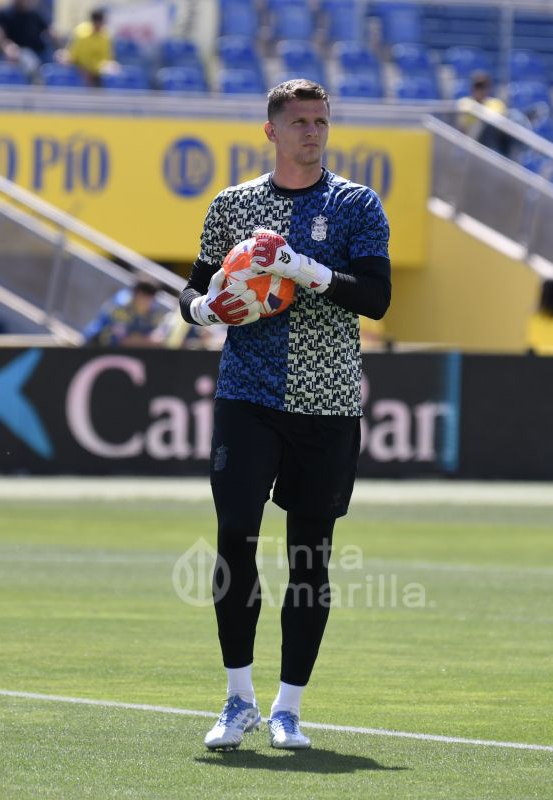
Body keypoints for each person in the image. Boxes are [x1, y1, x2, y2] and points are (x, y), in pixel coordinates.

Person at [179, 79, 391, 751]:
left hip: (327, 400)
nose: (312, 132)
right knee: (235, 534)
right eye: (299, 122)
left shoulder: (355, 204)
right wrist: (203, 309)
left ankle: (288, 708)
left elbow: (378, 298)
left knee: (309, 555)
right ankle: (237, 698)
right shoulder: (233, 205)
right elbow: (194, 287)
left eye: (321, 121)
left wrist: (303, 268)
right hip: (247, 393)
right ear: (271, 130)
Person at [82, 279, 170, 346]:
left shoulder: (153, 307)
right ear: (137, 294)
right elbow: (122, 340)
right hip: (96, 343)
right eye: (144, 297)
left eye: (150, 297)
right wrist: (148, 340)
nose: (148, 302)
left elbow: (158, 334)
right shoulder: (121, 305)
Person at [0, 0, 54, 77]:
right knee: (27, 58)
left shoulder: (36, 12)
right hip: (14, 54)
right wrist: (6, 46)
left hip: (37, 53)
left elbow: (49, 31)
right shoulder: (3, 13)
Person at [58, 7, 119, 86]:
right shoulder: (81, 33)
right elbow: (74, 56)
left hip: (98, 73)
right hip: (79, 70)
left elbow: (106, 58)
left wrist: (101, 69)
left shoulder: (106, 36)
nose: (100, 26)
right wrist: (85, 69)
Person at [457, 71, 509, 153]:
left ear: (488, 88)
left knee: (515, 116)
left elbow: (500, 126)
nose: (480, 90)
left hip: (494, 141)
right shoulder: (465, 103)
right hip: (473, 140)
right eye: (477, 86)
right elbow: (462, 127)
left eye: (483, 86)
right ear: (472, 88)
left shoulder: (496, 103)